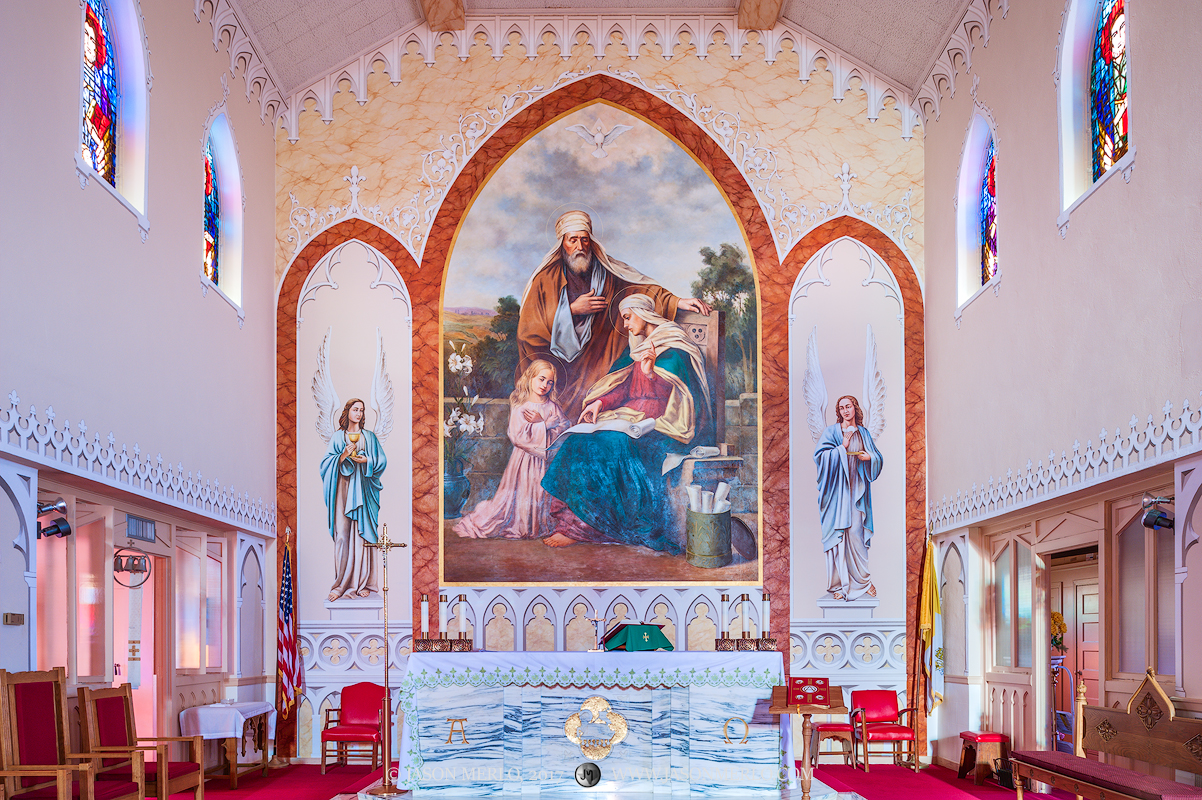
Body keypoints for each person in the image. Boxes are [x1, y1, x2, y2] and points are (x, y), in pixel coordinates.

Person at [541, 294, 712, 552]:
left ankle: (591, 527)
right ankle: (570, 524)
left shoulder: (676, 348)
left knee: (614, 444)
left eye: (628, 318)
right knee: (578, 439)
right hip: (627, 415)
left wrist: (650, 374)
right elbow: (623, 390)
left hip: (659, 424)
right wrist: (601, 403)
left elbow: (682, 399)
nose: (625, 325)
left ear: (643, 314)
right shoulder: (637, 349)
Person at [517, 210, 711, 420]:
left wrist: (676, 302)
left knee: (596, 399)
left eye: (584, 240)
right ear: (562, 243)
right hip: (559, 367)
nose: (580, 247)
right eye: (573, 240)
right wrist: (571, 310)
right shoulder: (545, 280)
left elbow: (639, 290)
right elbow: (527, 331)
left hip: (596, 361)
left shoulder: (606, 273)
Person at [453, 360, 570, 540]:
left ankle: (537, 525)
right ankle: (523, 525)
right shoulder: (521, 405)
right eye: (541, 379)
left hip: (544, 460)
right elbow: (517, 436)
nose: (545, 385)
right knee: (523, 492)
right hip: (524, 460)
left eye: (549, 382)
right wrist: (543, 424)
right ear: (530, 377)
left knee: (541, 492)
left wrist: (550, 426)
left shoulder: (552, 406)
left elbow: (564, 427)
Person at [813, 395, 883, 601]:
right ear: (839, 412)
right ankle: (837, 585)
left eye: (848, 406)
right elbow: (820, 457)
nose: (845, 411)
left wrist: (869, 457)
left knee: (855, 533)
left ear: (855, 409)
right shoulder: (831, 432)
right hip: (836, 492)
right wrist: (841, 447)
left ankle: (863, 581)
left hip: (856, 491)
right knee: (836, 536)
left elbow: (877, 456)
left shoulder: (863, 433)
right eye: (841, 408)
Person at [320, 398, 387, 601]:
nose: (358, 413)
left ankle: (363, 582)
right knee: (342, 535)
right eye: (355, 409)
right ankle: (341, 584)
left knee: (363, 535)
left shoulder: (369, 437)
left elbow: (382, 460)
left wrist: (367, 460)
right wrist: (342, 456)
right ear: (347, 411)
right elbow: (325, 464)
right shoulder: (338, 437)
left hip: (364, 489)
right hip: (342, 489)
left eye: (362, 410)